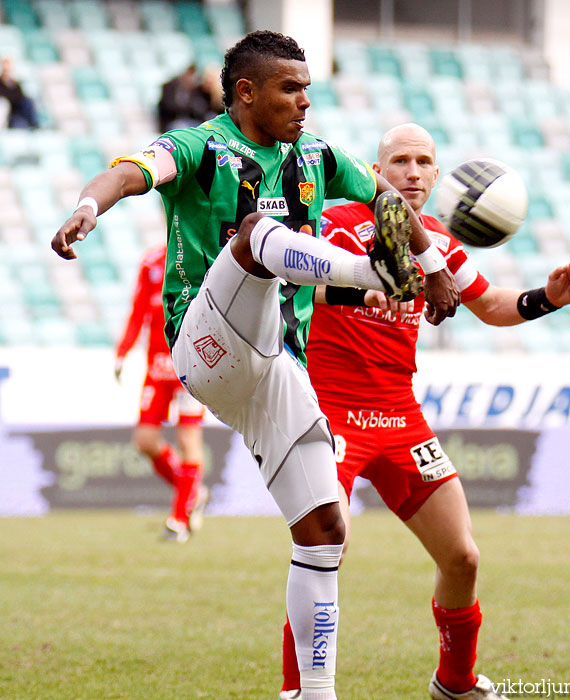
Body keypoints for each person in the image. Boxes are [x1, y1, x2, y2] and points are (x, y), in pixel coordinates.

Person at [51, 31, 460, 700]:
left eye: (307, 88)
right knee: (254, 235)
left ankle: (312, 694)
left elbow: (387, 196)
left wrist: (436, 264)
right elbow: (129, 170)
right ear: (246, 92)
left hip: (272, 365)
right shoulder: (200, 146)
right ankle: (370, 269)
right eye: (290, 88)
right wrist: (88, 206)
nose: (305, 101)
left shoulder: (316, 156)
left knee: (325, 531)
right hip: (205, 341)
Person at [277, 123, 570, 700]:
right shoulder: (338, 226)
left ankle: (456, 682)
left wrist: (547, 298)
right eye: (399, 161)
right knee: (325, 551)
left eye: (423, 162)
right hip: (330, 413)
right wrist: (359, 288)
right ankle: (301, 691)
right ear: (376, 172)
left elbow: (492, 306)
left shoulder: (440, 244)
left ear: (439, 177)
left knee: (463, 556)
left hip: (399, 418)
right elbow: (295, 284)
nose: (412, 172)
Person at [114, 244, 207, 543]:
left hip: (191, 367)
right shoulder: (152, 262)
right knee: (144, 441)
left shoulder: (201, 257)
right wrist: (122, 352)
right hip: (156, 368)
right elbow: (139, 310)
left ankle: (179, 520)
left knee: (187, 438)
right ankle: (193, 490)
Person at [0, 57, 39, 129]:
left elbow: (20, 98)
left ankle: (35, 125)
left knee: (28, 102)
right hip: (7, 115)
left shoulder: (16, 85)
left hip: (17, 113)